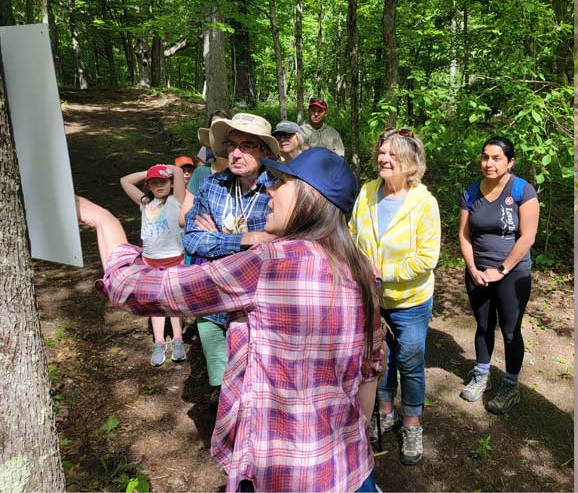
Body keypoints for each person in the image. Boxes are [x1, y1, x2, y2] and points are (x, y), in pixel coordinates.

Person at [78, 147, 382, 492]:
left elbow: (140, 289)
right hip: (351, 471)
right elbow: (370, 371)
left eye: (282, 182)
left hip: (282, 476)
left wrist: (106, 222)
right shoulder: (361, 270)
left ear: (310, 197)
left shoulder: (267, 262)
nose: (269, 189)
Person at [349, 127, 440, 465]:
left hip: (410, 301)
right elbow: (352, 234)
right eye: (382, 152)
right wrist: (360, 268)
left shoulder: (423, 203)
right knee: (378, 357)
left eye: (393, 155)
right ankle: (384, 410)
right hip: (371, 298)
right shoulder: (368, 192)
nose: (383, 159)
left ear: (410, 163)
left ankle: (412, 422)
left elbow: (427, 258)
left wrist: (383, 273)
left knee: (410, 361)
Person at [183, 113, 280, 401]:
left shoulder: (278, 188)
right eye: (232, 145)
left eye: (246, 146)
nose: (235, 153)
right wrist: (245, 239)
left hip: (260, 304)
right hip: (215, 300)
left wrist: (216, 239)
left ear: (263, 150)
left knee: (260, 386)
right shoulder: (213, 185)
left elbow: (279, 245)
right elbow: (191, 239)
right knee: (223, 385)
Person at [458, 136, 539, 414]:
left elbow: (527, 237)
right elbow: (464, 234)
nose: (488, 163)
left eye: (496, 158)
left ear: (510, 161)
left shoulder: (522, 191)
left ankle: (511, 385)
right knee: (483, 325)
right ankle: (482, 375)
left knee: (510, 330)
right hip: (478, 272)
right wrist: (473, 269)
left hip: (512, 274)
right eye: (485, 157)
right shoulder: (471, 192)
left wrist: (501, 270)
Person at [119, 164, 188, 366]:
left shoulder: (177, 201)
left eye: (162, 181)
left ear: (170, 183)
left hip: (175, 258)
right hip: (150, 260)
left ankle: (177, 339)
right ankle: (159, 342)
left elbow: (177, 172)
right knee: (154, 301)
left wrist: (167, 169)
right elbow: (125, 181)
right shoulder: (145, 203)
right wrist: (149, 172)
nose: (159, 185)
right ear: (148, 186)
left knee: (174, 301)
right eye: (154, 183)